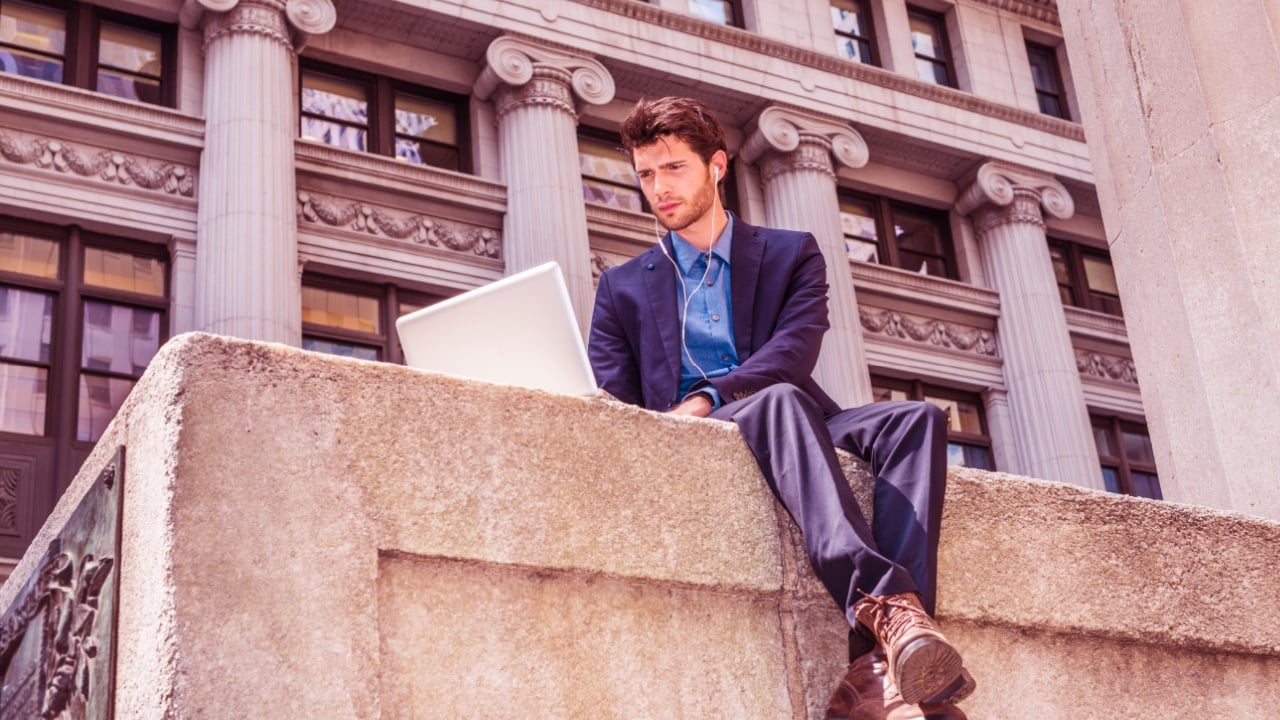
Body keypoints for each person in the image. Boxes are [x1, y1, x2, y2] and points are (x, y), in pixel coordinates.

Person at [587, 97, 976, 720]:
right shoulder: (622, 286)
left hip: (789, 409)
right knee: (775, 403)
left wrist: (709, 394)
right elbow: (614, 394)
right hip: (696, 432)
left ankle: (875, 668)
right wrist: (683, 416)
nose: (659, 188)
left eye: (674, 169)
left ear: (716, 166)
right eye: (646, 174)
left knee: (915, 419)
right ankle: (893, 621)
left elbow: (794, 350)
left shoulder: (791, 251)